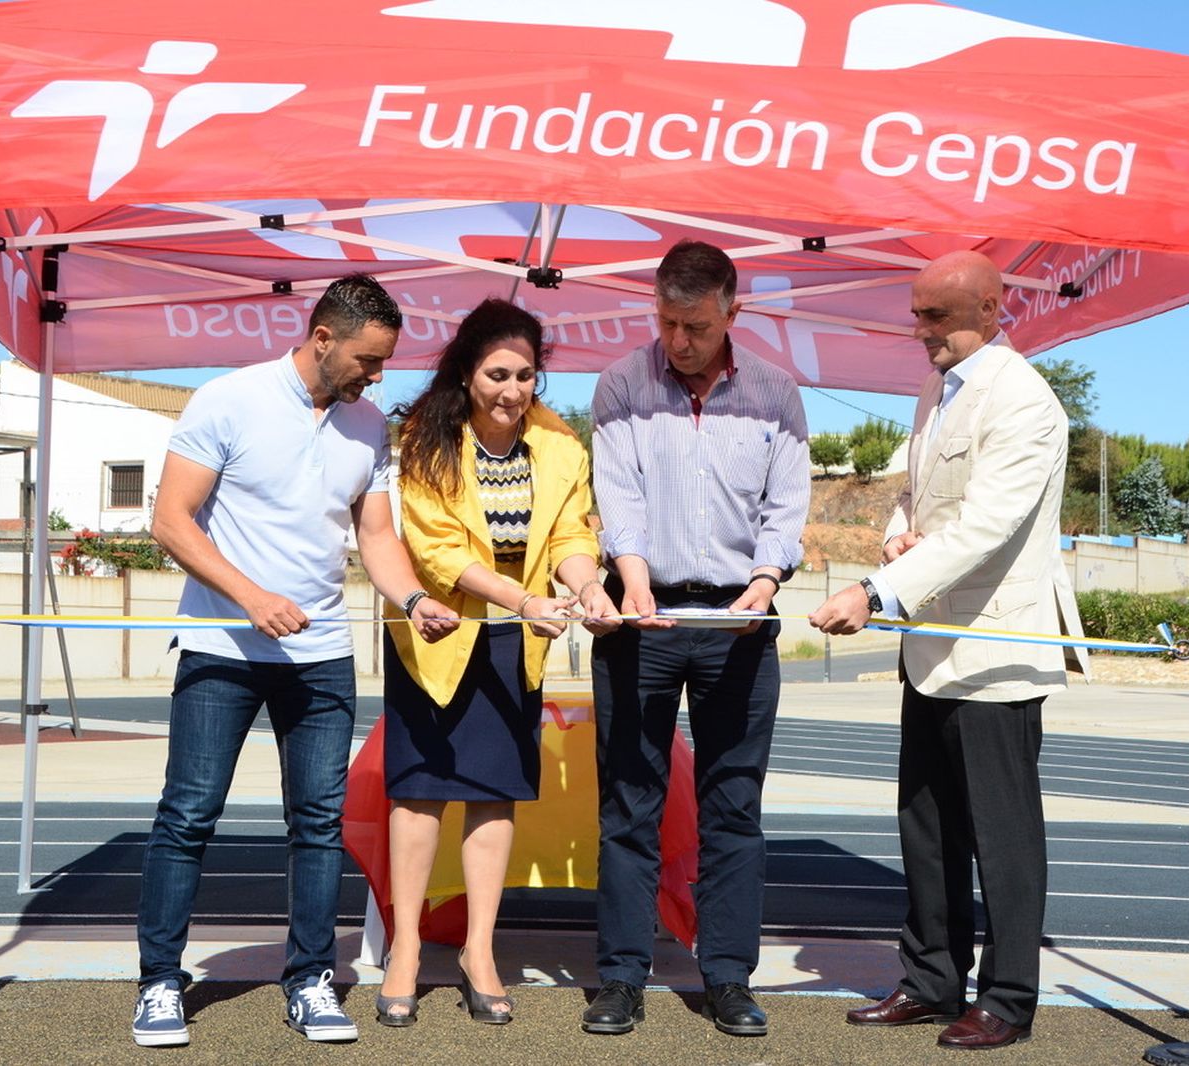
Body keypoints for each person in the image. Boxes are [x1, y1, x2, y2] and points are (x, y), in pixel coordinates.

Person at [132, 274, 458, 1049]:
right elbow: (170, 522)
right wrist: (251, 597)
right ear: (322, 339)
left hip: (321, 657)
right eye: (368, 360)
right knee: (188, 816)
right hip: (223, 647)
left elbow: (376, 538)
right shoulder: (227, 400)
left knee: (318, 825)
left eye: (383, 363)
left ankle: (311, 979)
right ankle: (158, 982)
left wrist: (414, 601)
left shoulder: (368, 424)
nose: (376, 375)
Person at [809, 250, 1088, 1051]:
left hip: (996, 650)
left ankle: (1007, 997)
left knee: (1002, 835)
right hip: (930, 645)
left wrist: (872, 593)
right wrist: (897, 537)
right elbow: (915, 493)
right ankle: (932, 978)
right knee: (925, 823)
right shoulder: (936, 389)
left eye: (936, 314)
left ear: (994, 308)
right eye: (917, 311)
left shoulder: (1026, 403)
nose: (919, 328)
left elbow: (987, 526)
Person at [585, 239, 810, 1038]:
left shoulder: (779, 393)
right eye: (667, 321)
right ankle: (619, 977)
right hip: (639, 618)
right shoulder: (618, 386)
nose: (679, 340)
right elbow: (620, 498)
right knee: (628, 806)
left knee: (733, 807)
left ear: (732, 313)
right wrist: (632, 577)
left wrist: (765, 582)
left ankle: (727, 978)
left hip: (741, 624)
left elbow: (786, 511)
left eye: (697, 326)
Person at [376, 298, 622, 1027]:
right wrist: (521, 598)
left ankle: (480, 951)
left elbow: (571, 537)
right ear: (466, 371)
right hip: (435, 636)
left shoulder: (561, 448)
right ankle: (406, 949)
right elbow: (437, 551)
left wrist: (587, 586)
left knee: (493, 796)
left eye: (527, 376)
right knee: (419, 793)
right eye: (497, 374)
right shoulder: (424, 440)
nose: (513, 391)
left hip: (518, 641)